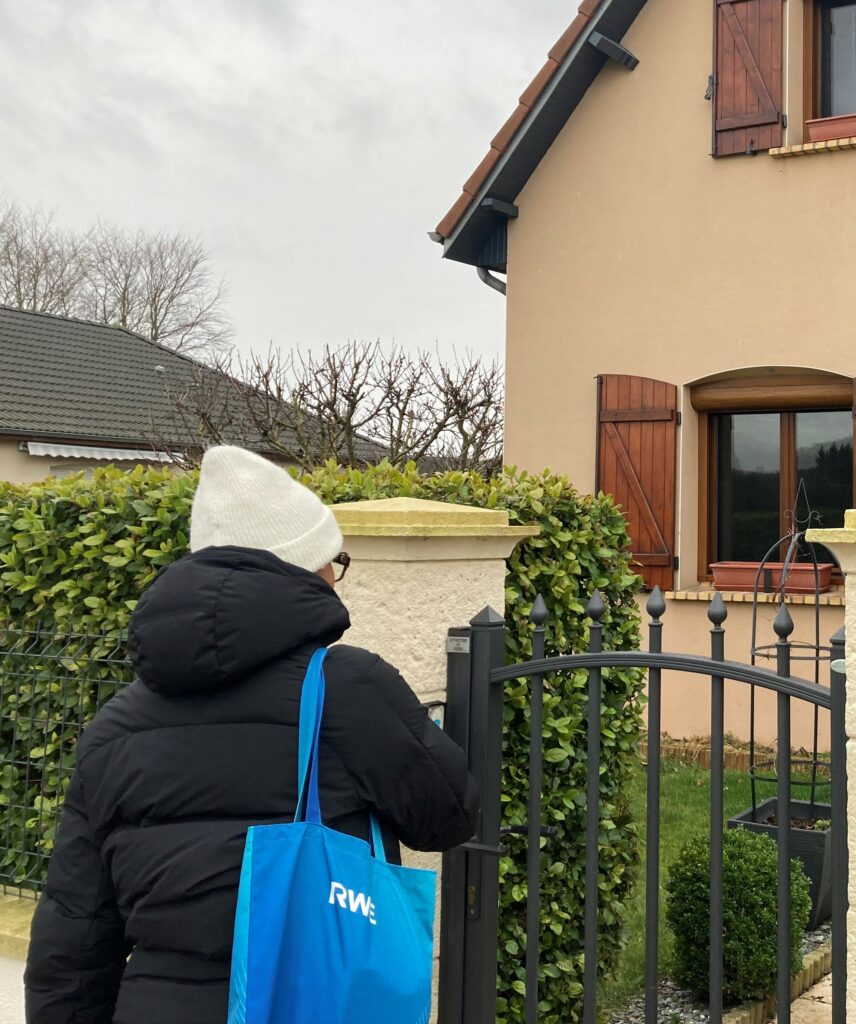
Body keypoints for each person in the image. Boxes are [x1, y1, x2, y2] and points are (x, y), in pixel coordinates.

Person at [24, 446, 479, 1024]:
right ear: (308, 569)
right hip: (312, 1000)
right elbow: (448, 817)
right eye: (335, 560)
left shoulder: (114, 726)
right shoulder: (348, 688)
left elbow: (74, 933)